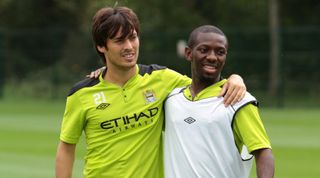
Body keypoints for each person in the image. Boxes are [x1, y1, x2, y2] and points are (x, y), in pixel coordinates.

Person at [55, 6, 247, 178]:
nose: (129, 46)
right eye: (119, 41)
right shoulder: (81, 94)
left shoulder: (162, 78)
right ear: (101, 46)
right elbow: (66, 146)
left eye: (133, 37)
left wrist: (235, 78)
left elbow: (205, 86)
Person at [164, 25, 274, 178]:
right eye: (204, 50)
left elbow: (263, 153)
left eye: (220, 52)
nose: (212, 57)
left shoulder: (238, 100)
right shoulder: (171, 99)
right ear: (188, 53)